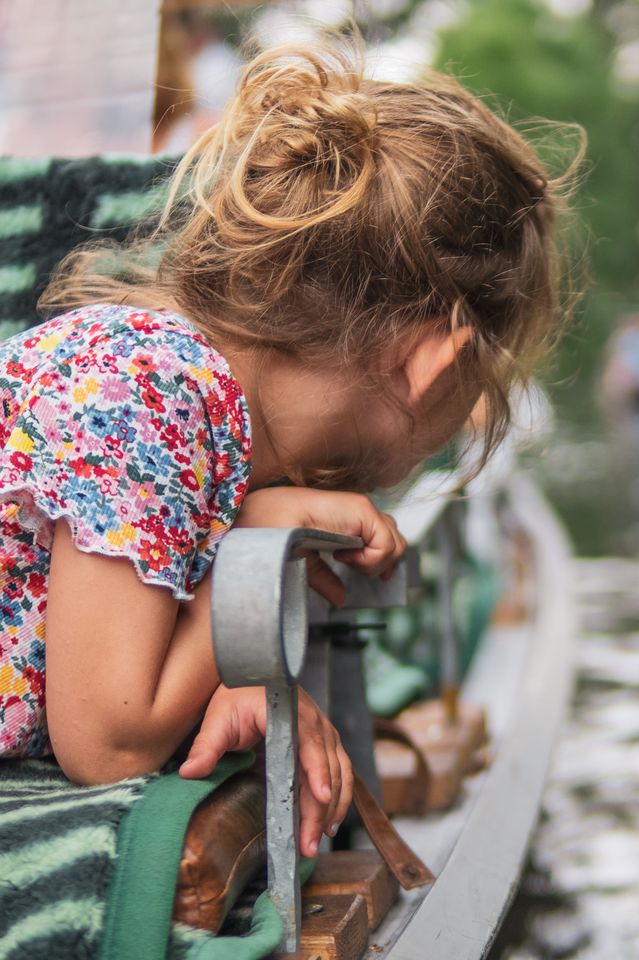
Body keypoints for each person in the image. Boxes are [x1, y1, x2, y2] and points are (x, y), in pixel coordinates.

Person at [0, 39, 576, 858]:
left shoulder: (185, 401)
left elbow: (100, 629)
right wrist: (260, 541)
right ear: (433, 362)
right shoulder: (153, 390)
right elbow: (110, 742)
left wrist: (242, 664)